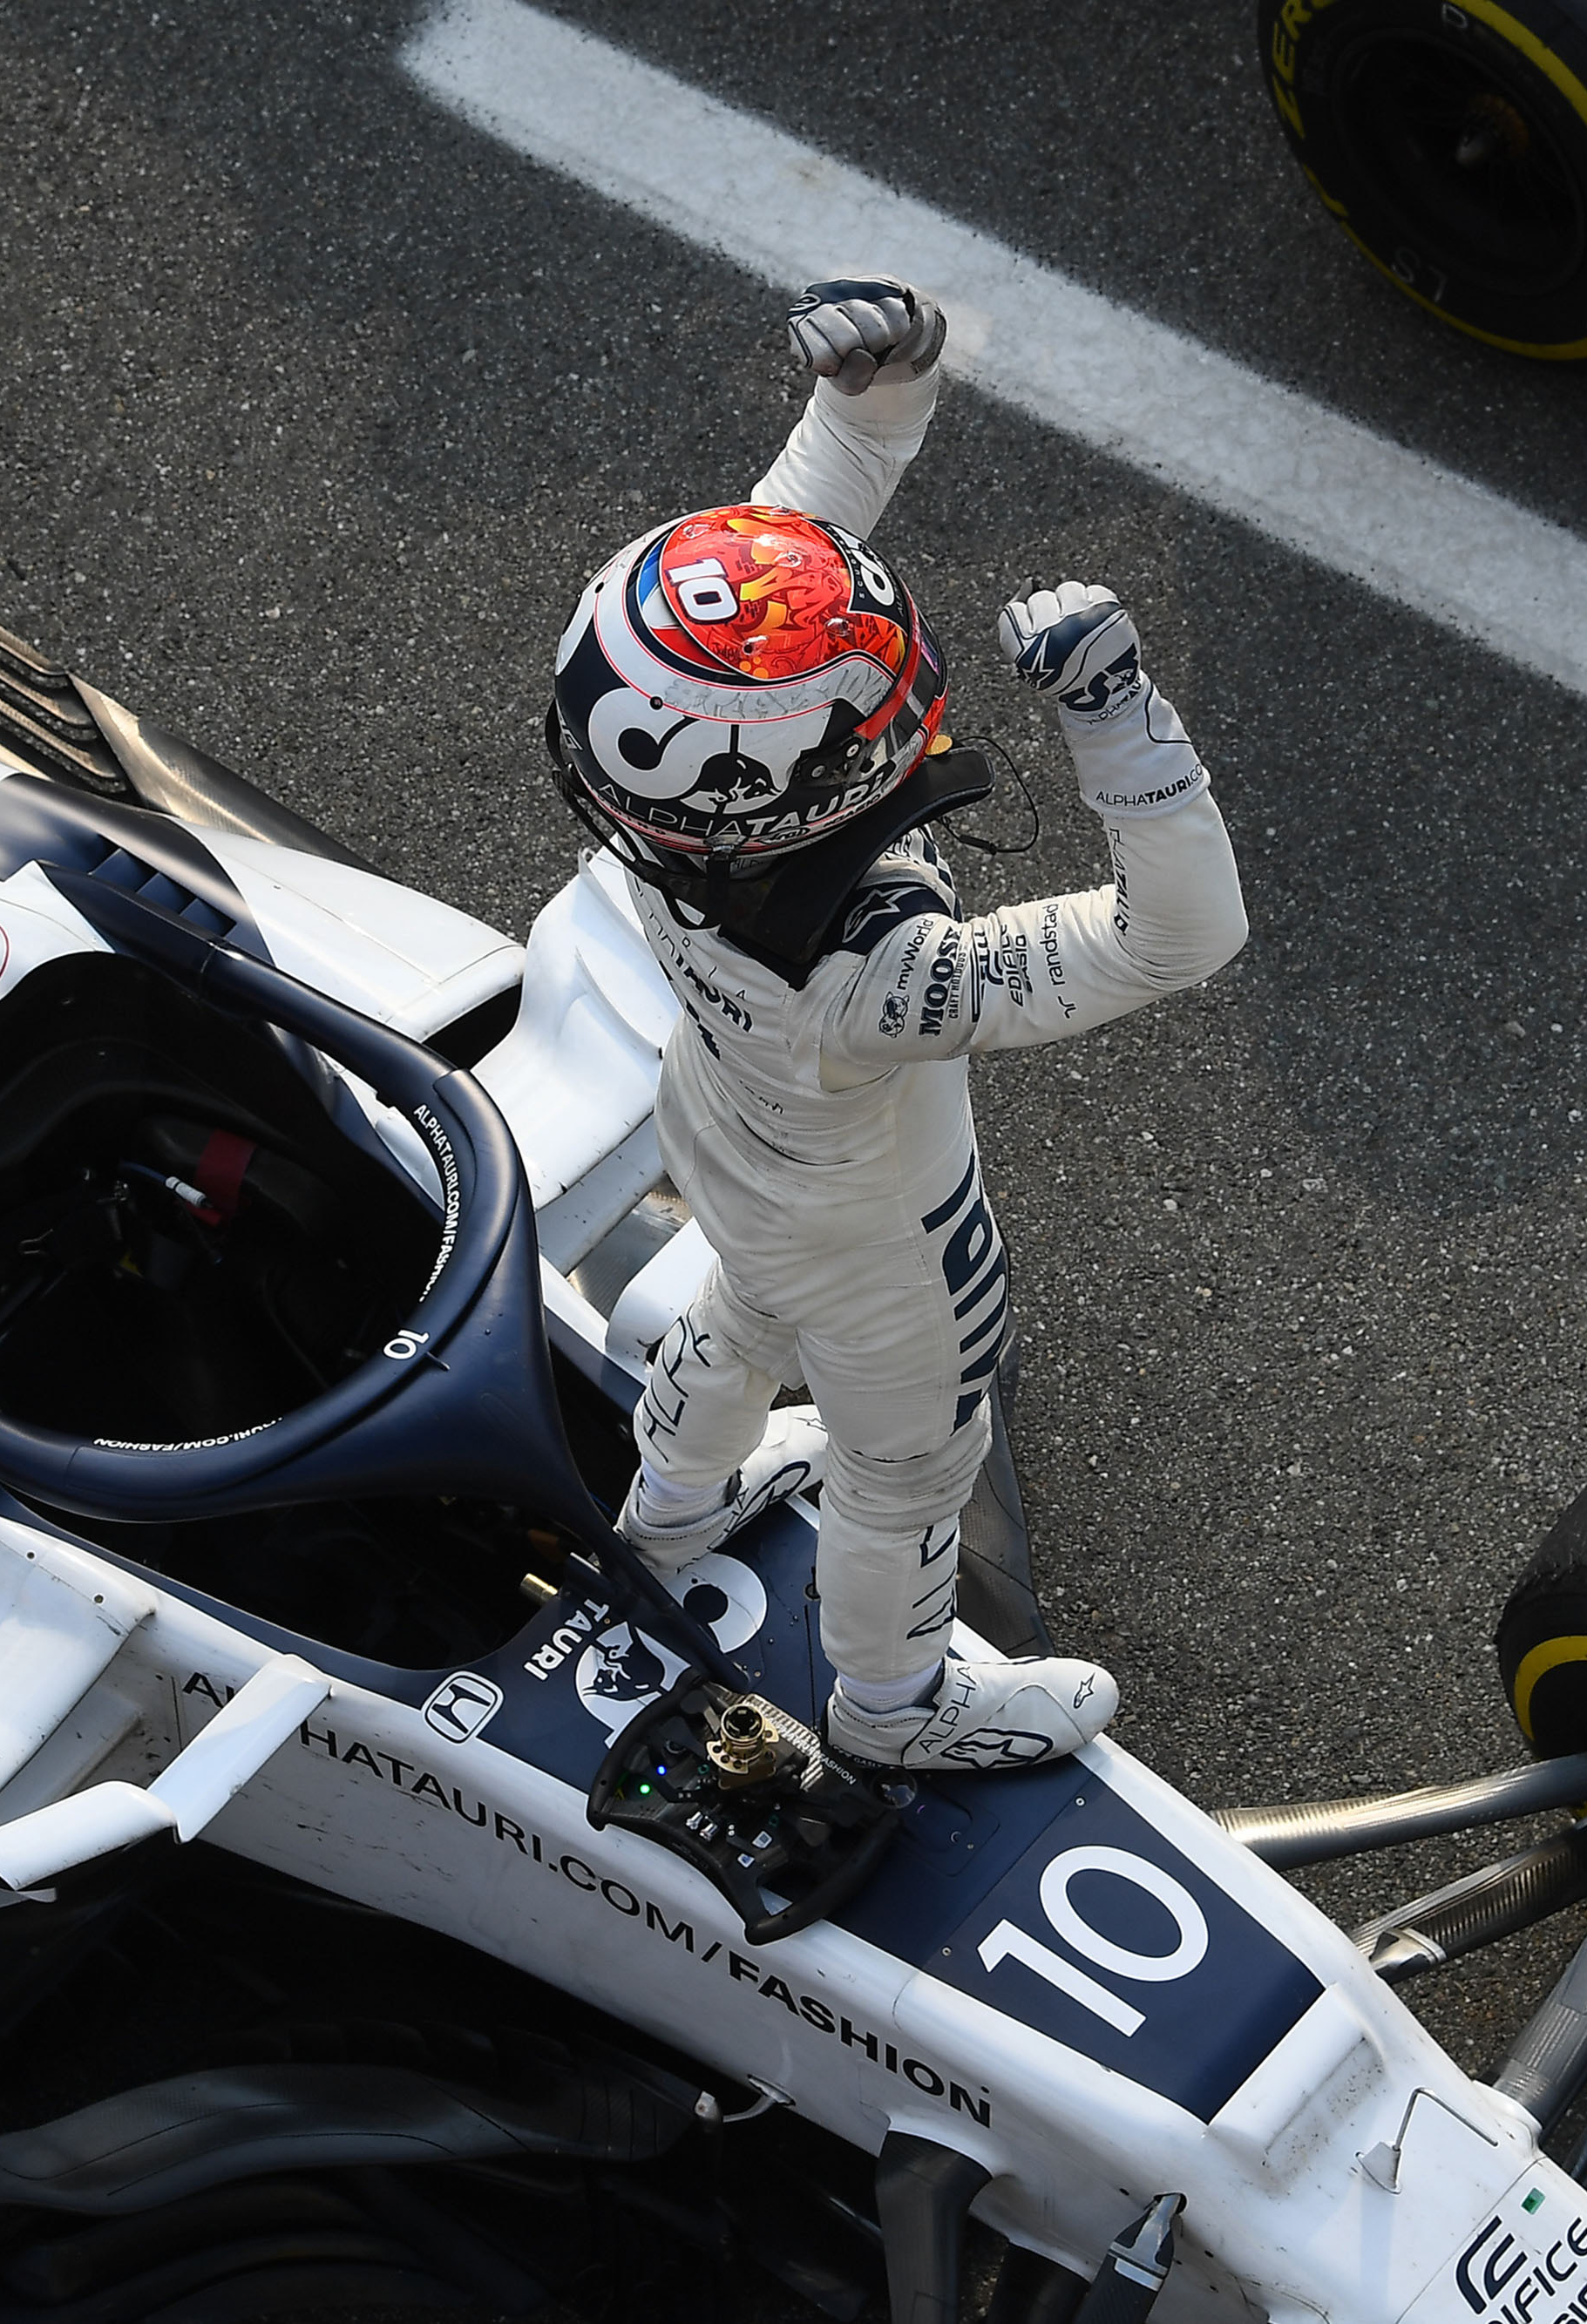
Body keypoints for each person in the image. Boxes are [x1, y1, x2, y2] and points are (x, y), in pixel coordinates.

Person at [546, 275, 1249, 1774]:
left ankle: (664, 1519)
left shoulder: (651, 786)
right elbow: (1183, 937)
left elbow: (760, 598)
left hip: (724, 1124)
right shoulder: (877, 969)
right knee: (910, 1470)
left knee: (743, 1304)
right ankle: (894, 1708)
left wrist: (872, 401)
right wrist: (1120, 721)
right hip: (882, 1237)